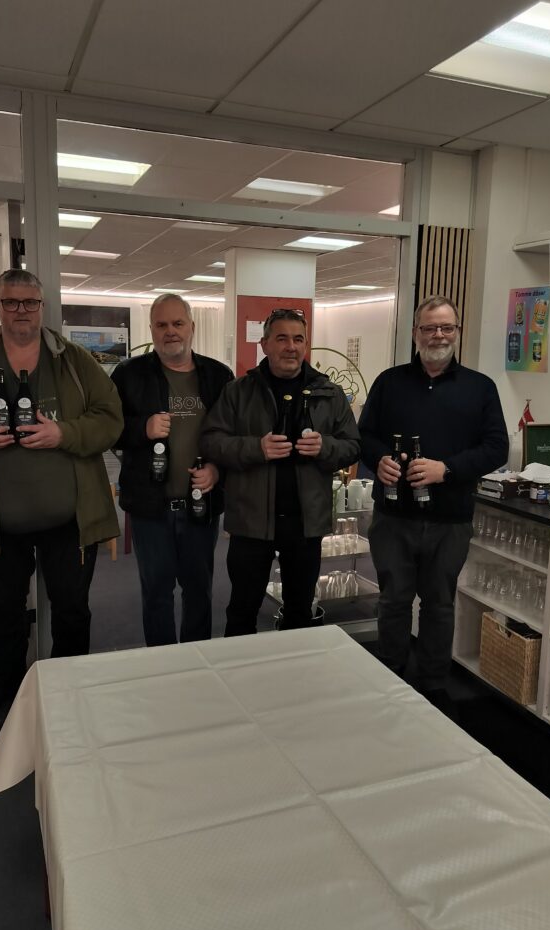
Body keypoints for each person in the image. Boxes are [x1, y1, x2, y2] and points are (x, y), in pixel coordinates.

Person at [0, 269, 123, 735]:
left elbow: (110, 418)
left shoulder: (72, 360)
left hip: (70, 520)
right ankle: (5, 698)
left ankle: (69, 694)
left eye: (29, 302)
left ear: (41, 306)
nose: (21, 311)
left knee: (72, 611)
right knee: (5, 616)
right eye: (10, 302)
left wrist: (63, 433)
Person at [359, 295, 508, 698]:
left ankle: (433, 689)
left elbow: (497, 448)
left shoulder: (481, 388)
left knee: (439, 606)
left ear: (458, 331)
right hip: (393, 517)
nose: (438, 335)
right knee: (393, 601)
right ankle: (389, 680)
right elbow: (364, 436)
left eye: (446, 327)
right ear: (415, 333)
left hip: (450, 520)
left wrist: (447, 470)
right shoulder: (389, 382)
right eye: (429, 328)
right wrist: (378, 460)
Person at [201, 307, 360, 635]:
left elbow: (353, 446)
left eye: (298, 339)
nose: (291, 347)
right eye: (282, 338)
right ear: (265, 344)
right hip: (251, 522)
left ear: (306, 345)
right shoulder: (238, 391)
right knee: (242, 611)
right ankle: (241, 668)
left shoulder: (329, 393)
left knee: (300, 614)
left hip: (305, 524)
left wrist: (325, 447)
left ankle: (293, 669)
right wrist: (255, 448)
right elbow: (211, 442)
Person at [111, 293, 233, 646]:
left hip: (201, 507)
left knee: (199, 592)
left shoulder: (218, 375)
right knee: (156, 594)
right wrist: (142, 428)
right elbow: (107, 430)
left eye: (178, 323)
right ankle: (161, 663)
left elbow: (233, 435)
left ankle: (196, 662)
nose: (170, 331)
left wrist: (217, 470)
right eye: (162, 324)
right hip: (150, 509)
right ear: (151, 329)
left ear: (191, 327)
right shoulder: (129, 374)